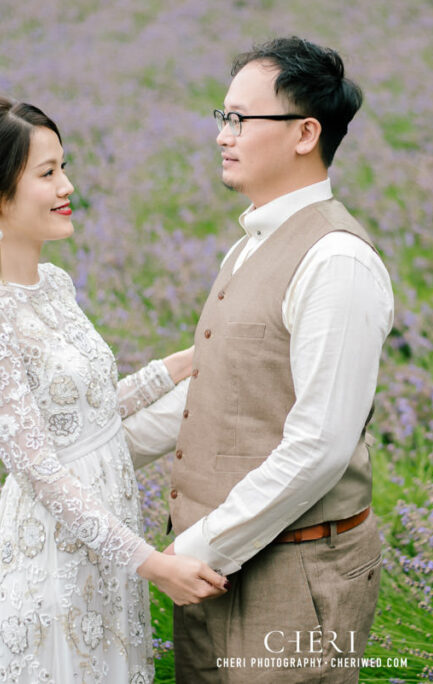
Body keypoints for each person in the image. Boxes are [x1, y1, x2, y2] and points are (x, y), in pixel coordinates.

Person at [122, 37, 394, 683]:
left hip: (294, 576)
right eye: (224, 117)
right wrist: (91, 449)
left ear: (305, 133)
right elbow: (226, 392)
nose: (224, 135)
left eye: (242, 119)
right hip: (216, 569)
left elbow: (321, 445)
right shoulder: (247, 245)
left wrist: (195, 550)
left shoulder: (338, 261)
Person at [0, 96, 227, 683]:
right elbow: (37, 465)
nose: (67, 185)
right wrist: (149, 564)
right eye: (46, 173)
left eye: (63, 166)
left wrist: (185, 363)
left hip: (108, 547)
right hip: (52, 559)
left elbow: (87, 413)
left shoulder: (55, 283)